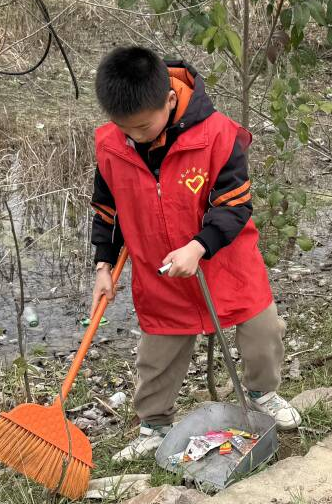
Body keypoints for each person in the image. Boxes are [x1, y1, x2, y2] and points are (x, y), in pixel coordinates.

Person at [89, 46, 301, 462]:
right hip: (161, 272)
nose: (135, 137)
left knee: (263, 332)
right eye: (125, 128)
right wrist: (103, 264)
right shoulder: (111, 146)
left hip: (226, 263)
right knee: (157, 357)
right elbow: (107, 211)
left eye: (143, 126)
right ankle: (154, 424)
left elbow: (234, 204)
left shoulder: (217, 135)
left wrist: (199, 246)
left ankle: (262, 394)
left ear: (170, 99)